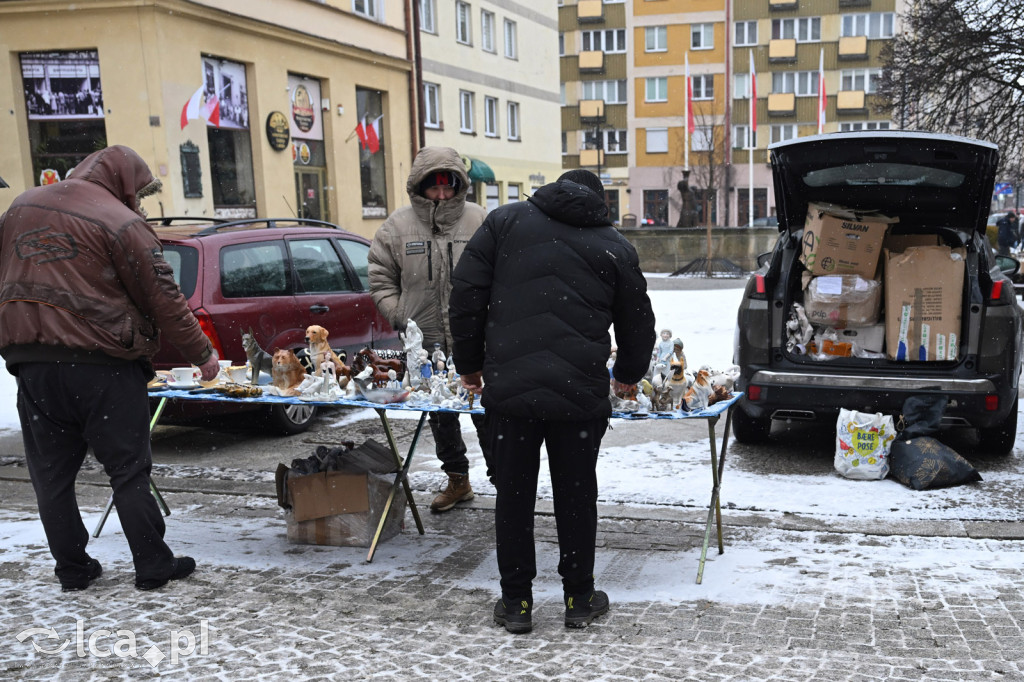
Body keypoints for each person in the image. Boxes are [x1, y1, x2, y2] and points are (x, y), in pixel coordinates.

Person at [0, 145, 220, 592]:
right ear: (125, 183)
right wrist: (203, 354)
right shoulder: (121, 222)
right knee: (127, 468)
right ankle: (152, 564)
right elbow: (165, 297)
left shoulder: (20, 207)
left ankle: (72, 569)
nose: (138, 199)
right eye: (140, 191)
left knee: (51, 475)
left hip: (33, 364)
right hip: (104, 365)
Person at [449, 169, 656, 634]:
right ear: (598, 202)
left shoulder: (505, 223)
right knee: (577, 496)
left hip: (511, 393)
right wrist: (627, 376)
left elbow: (466, 295)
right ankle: (579, 597)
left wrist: (469, 364)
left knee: (514, 496)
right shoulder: (614, 245)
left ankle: (516, 602)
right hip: (578, 397)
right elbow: (638, 321)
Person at [367, 146, 492, 512]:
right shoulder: (397, 226)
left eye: (448, 186)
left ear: (459, 185)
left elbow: (504, 273)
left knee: (488, 413)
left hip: (476, 340)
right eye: (433, 187)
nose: (441, 195)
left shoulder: (479, 220)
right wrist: (400, 315)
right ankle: (458, 480)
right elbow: (380, 277)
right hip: (425, 343)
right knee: (441, 417)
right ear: (419, 186)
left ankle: (505, 480)